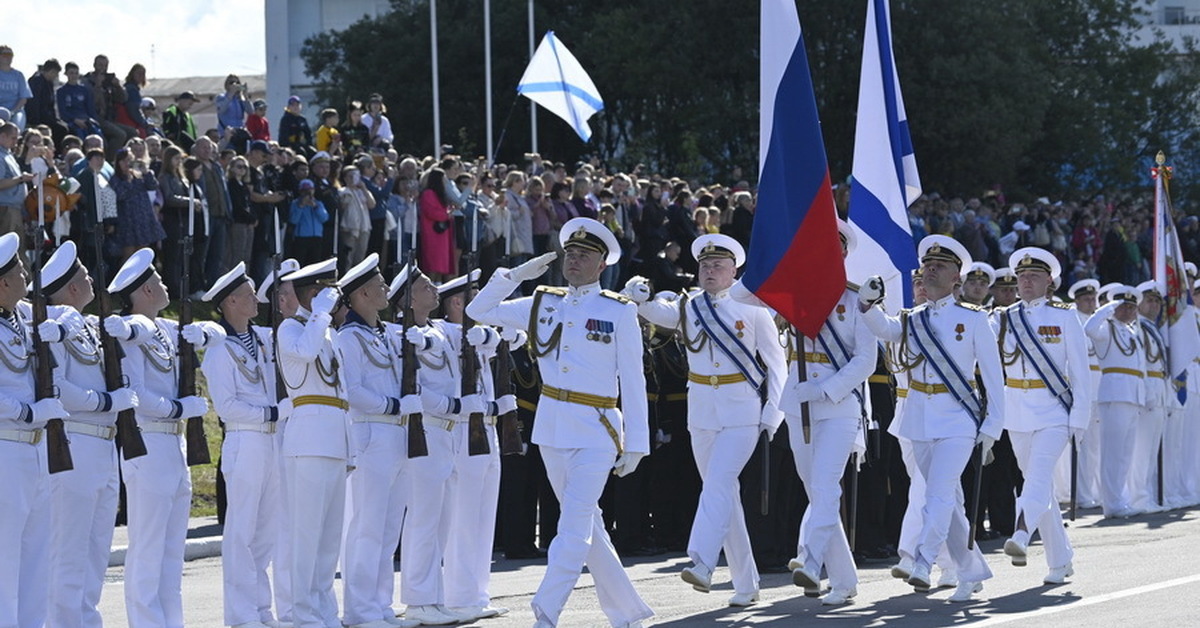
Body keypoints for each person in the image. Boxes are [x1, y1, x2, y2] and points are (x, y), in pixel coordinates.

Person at [466, 218, 653, 628]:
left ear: (602, 264)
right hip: (552, 427)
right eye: (570, 252)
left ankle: (545, 611)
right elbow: (477, 310)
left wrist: (636, 441)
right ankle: (629, 614)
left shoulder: (618, 311)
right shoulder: (542, 301)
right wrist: (515, 275)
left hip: (598, 429)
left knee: (572, 525)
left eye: (585, 255)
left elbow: (634, 380)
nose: (574, 259)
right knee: (588, 524)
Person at [623, 232, 786, 608]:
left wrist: (771, 415)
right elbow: (656, 313)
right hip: (702, 412)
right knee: (724, 494)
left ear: (734, 271)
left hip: (742, 411)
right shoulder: (689, 307)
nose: (710, 271)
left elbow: (777, 366)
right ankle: (747, 583)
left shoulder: (753, 307)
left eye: (718, 266)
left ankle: (702, 559)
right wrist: (639, 295)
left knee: (718, 484)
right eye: (704, 265)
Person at [859, 235, 1004, 603]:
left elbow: (993, 378)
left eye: (940, 265)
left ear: (958, 277)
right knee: (947, 503)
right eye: (928, 264)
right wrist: (867, 305)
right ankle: (971, 572)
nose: (930, 269)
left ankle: (923, 560)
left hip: (957, 418)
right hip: (919, 418)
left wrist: (991, 426)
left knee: (938, 494)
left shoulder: (973, 319)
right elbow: (887, 331)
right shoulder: (912, 318)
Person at [105, 247, 218, 627]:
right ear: (146, 291)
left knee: (172, 551)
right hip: (148, 442)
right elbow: (136, 393)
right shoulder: (130, 334)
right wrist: (179, 409)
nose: (165, 284)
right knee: (148, 547)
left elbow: (214, 332)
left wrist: (204, 330)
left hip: (175, 445)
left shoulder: (168, 329)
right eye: (159, 280)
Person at [772, 221, 875, 605]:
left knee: (826, 487)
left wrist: (826, 388)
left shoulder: (855, 299)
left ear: (844, 255)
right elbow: (746, 295)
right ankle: (845, 580)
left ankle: (811, 560)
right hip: (799, 403)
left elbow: (866, 360)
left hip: (839, 406)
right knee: (815, 490)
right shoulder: (794, 294)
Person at [38, 242, 138, 628]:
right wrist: (105, 401)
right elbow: (56, 386)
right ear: (71, 287)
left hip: (103, 446)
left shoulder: (91, 327)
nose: (91, 278)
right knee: (69, 552)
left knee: (96, 551)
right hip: (75, 444)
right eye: (83, 273)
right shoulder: (54, 327)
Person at [335, 255, 423, 628]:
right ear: (364, 293)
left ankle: (380, 605)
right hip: (371, 431)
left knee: (389, 529)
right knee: (368, 526)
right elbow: (351, 390)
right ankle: (360, 609)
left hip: (397, 433)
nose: (388, 290)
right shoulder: (349, 337)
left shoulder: (386, 333)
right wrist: (393, 404)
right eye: (382, 285)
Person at [995, 247, 1090, 586]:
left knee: (1035, 479)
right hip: (1017, 411)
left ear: (1050, 280)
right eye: (1021, 277)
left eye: (1034, 276)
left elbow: (1080, 373)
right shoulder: (1003, 318)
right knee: (1041, 487)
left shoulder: (1065, 317)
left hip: (1053, 410)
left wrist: (1079, 419)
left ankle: (1021, 535)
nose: (1026, 282)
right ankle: (1061, 559)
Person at [200, 263, 283, 628]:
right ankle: (240, 615)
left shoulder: (263, 339)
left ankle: (262, 611)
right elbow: (227, 405)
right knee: (241, 533)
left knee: (266, 533)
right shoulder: (219, 350)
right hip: (244, 438)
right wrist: (269, 413)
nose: (256, 299)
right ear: (230, 301)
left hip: (270, 441)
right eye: (249, 294)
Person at [430, 270, 515, 621]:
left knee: (483, 514)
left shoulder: (476, 335)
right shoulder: (444, 333)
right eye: (475, 298)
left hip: (488, 429)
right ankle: (459, 594)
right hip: (463, 431)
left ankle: (477, 592)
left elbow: (516, 336)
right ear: (457, 303)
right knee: (464, 517)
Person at [0, 232, 70, 628]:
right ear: (3, 283)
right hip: (7, 448)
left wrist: (60, 327)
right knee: (5, 558)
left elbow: (74, 314)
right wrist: (29, 412)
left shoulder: (22, 317)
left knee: (36, 556)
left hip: (35, 450)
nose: (28, 276)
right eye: (20, 271)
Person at [275, 258, 349, 628]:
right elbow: (303, 353)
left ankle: (324, 612)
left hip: (335, 439)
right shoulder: (290, 329)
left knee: (328, 539)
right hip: (308, 440)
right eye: (326, 292)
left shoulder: (327, 333)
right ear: (314, 294)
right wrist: (319, 315)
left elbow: (341, 390)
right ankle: (302, 616)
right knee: (305, 536)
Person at [1083, 285, 1145, 518]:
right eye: (1123, 306)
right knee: (1112, 453)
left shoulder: (1130, 332)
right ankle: (1112, 504)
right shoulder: (1106, 328)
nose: (1128, 311)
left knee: (1125, 453)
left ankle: (1121, 499)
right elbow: (1089, 328)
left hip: (1132, 394)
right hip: (1115, 394)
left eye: (1131, 307)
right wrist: (1107, 309)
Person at [109, 146, 166, 259]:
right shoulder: (115, 179)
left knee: (142, 257)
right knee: (128, 257)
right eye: (124, 160)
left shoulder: (139, 176)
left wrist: (146, 172)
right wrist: (130, 182)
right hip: (127, 223)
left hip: (143, 221)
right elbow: (121, 195)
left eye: (130, 160)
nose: (127, 163)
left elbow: (153, 186)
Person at [419, 168, 455, 281]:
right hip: (432, 235)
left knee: (441, 267)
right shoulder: (428, 193)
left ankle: (438, 288)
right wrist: (446, 214)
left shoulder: (440, 195)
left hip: (442, 236)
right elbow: (431, 212)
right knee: (433, 265)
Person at [0, 121, 31, 243]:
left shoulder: (8, 154)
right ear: (2, 136)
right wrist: (21, 179)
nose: (15, 142)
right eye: (13, 138)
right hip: (6, 208)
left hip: (15, 208)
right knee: (7, 250)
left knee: (18, 249)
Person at [0, 45, 31, 130]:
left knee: (16, 128)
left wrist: (13, 112)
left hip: (16, 110)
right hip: (0, 110)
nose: (8, 57)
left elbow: (23, 98)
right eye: (5, 54)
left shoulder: (18, 75)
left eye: (11, 55)